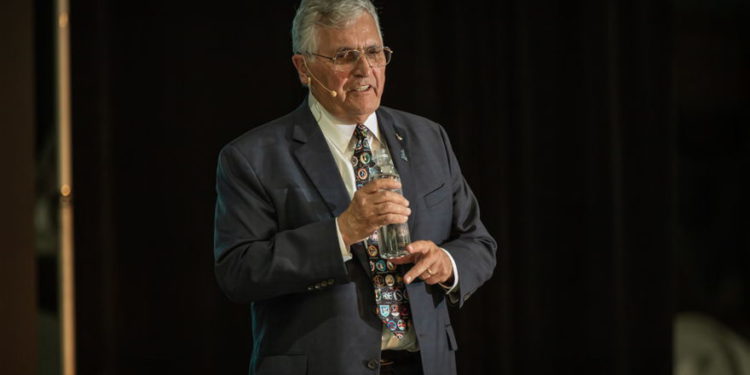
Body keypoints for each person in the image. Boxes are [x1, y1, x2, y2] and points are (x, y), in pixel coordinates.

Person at [213, 1, 497, 374]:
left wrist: (446, 263)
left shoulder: (428, 137)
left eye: (374, 52)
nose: (365, 70)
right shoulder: (253, 156)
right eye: (345, 56)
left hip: (426, 364)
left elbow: (478, 242)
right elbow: (238, 272)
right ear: (304, 68)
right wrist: (341, 233)